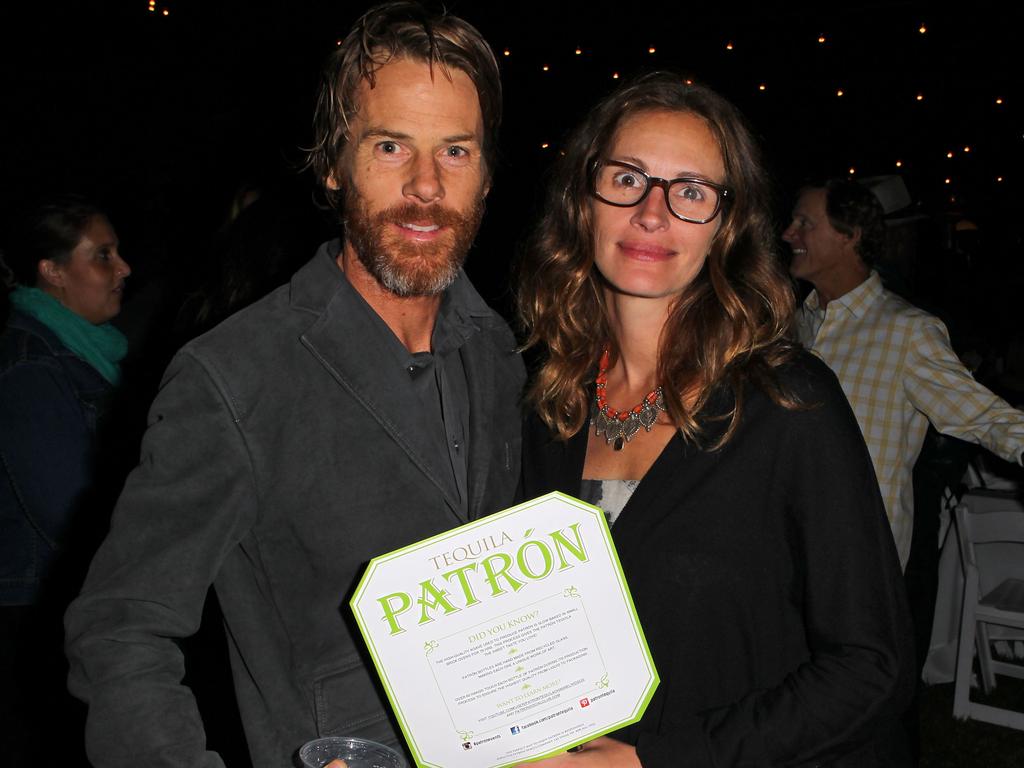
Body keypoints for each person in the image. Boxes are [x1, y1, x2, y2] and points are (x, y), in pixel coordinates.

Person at [64, 3, 523, 767]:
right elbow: (121, 628)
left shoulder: (497, 349)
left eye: (456, 151)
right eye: (389, 146)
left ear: (484, 174)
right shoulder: (237, 375)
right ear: (335, 163)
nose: (425, 185)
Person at [517, 73, 914, 766]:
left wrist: (655, 760)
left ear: (727, 228)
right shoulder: (548, 403)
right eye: (627, 178)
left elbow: (871, 665)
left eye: (691, 191)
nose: (653, 212)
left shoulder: (790, 403)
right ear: (584, 199)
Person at [782, 178, 1024, 570]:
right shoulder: (793, 326)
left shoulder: (906, 332)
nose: (788, 233)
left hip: (855, 559)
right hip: (784, 549)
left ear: (849, 235)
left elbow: (983, 416)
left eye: (804, 222)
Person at [0, 195, 131, 766]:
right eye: (102, 255)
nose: (124, 268)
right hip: (40, 609)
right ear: (51, 271)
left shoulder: (83, 352)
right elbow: (66, 509)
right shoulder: (29, 362)